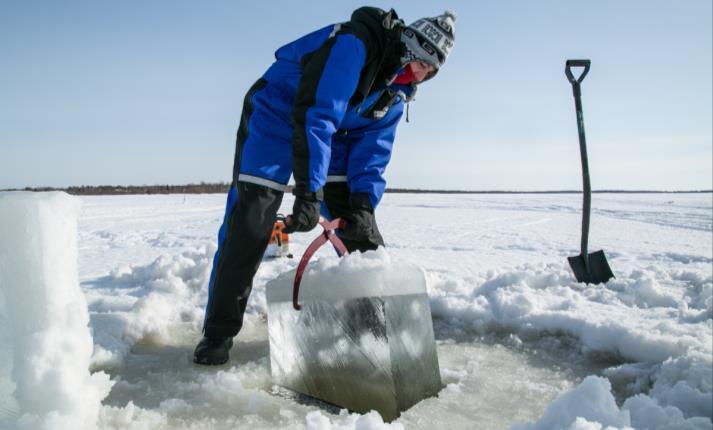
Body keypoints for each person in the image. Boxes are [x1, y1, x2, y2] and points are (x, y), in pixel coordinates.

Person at [194, 6, 456, 365]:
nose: (423, 74)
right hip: (277, 113)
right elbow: (317, 114)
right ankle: (218, 332)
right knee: (251, 221)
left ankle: (376, 329)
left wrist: (363, 202)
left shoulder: (397, 96)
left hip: (333, 137)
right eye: (422, 61)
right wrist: (308, 193)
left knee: (358, 228)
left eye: (432, 70)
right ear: (409, 46)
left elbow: (373, 152)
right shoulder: (356, 45)